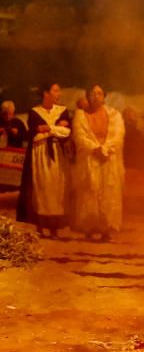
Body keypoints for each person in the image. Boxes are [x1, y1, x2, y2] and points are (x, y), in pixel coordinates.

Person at [16, 82, 71, 236]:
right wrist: (56, 128)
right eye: (55, 91)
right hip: (39, 155)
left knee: (56, 189)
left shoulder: (63, 111)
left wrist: (48, 128)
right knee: (42, 189)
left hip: (58, 155)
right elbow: (35, 134)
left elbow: (66, 132)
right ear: (46, 93)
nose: (58, 94)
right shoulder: (34, 112)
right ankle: (40, 224)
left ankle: (54, 226)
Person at [71, 84, 125, 241]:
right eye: (92, 94)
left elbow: (118, 134)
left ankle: (106, 228)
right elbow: (80, 136)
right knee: (90, 191)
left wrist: (106, 148)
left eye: (99, 93)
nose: (96, 96)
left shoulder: (114, 114)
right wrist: (95, 148)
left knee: (108, 193)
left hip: (108, 157)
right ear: (88, 96)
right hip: (90, 158)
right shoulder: (80, 115)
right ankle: (89, 226)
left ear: (104, 96)